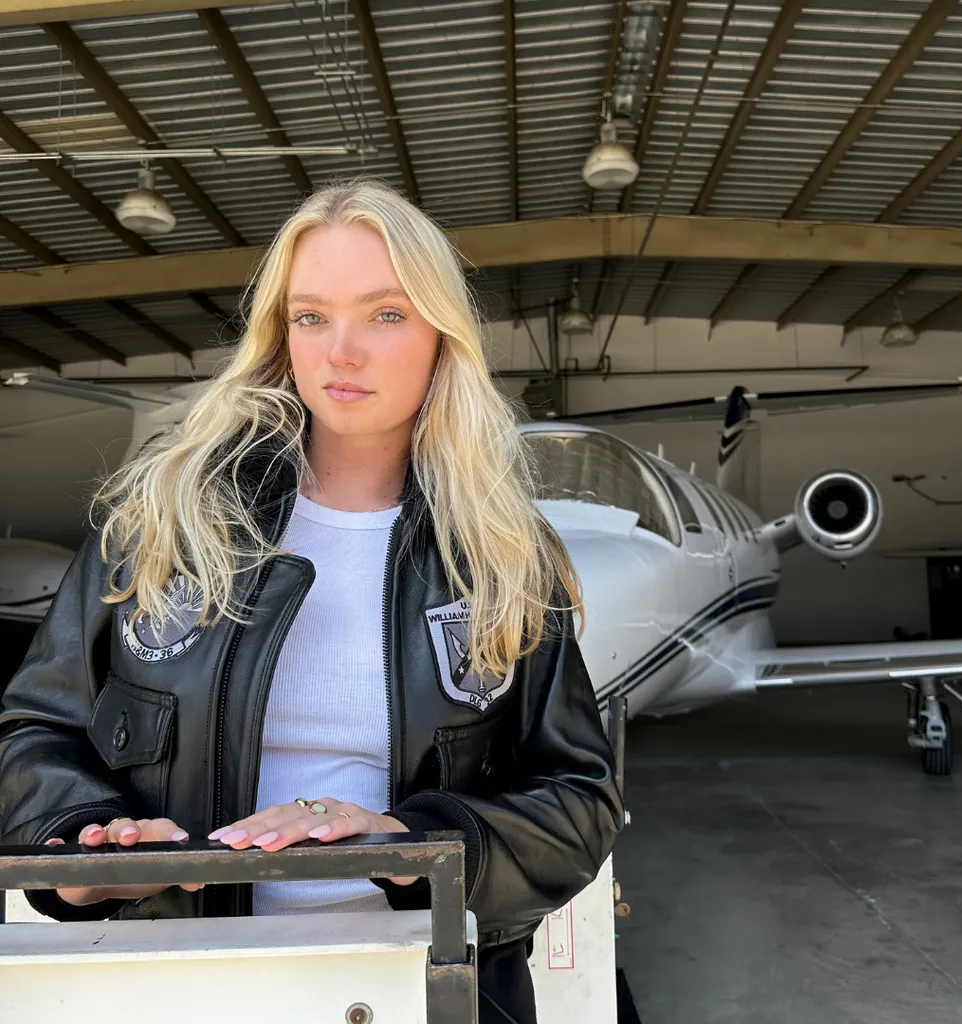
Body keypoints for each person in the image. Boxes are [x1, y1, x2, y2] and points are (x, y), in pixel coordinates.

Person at [0, 179, 624, 1023]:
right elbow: (37, 730)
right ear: (280, 335)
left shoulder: (504, 554)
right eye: (311, 316)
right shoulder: (161, 520)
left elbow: (578, 798)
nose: (343, 351)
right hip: (169, 990)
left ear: (442, 334)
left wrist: (416, 845)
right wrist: (88, 845)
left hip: (419, 991)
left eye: (386, 314)